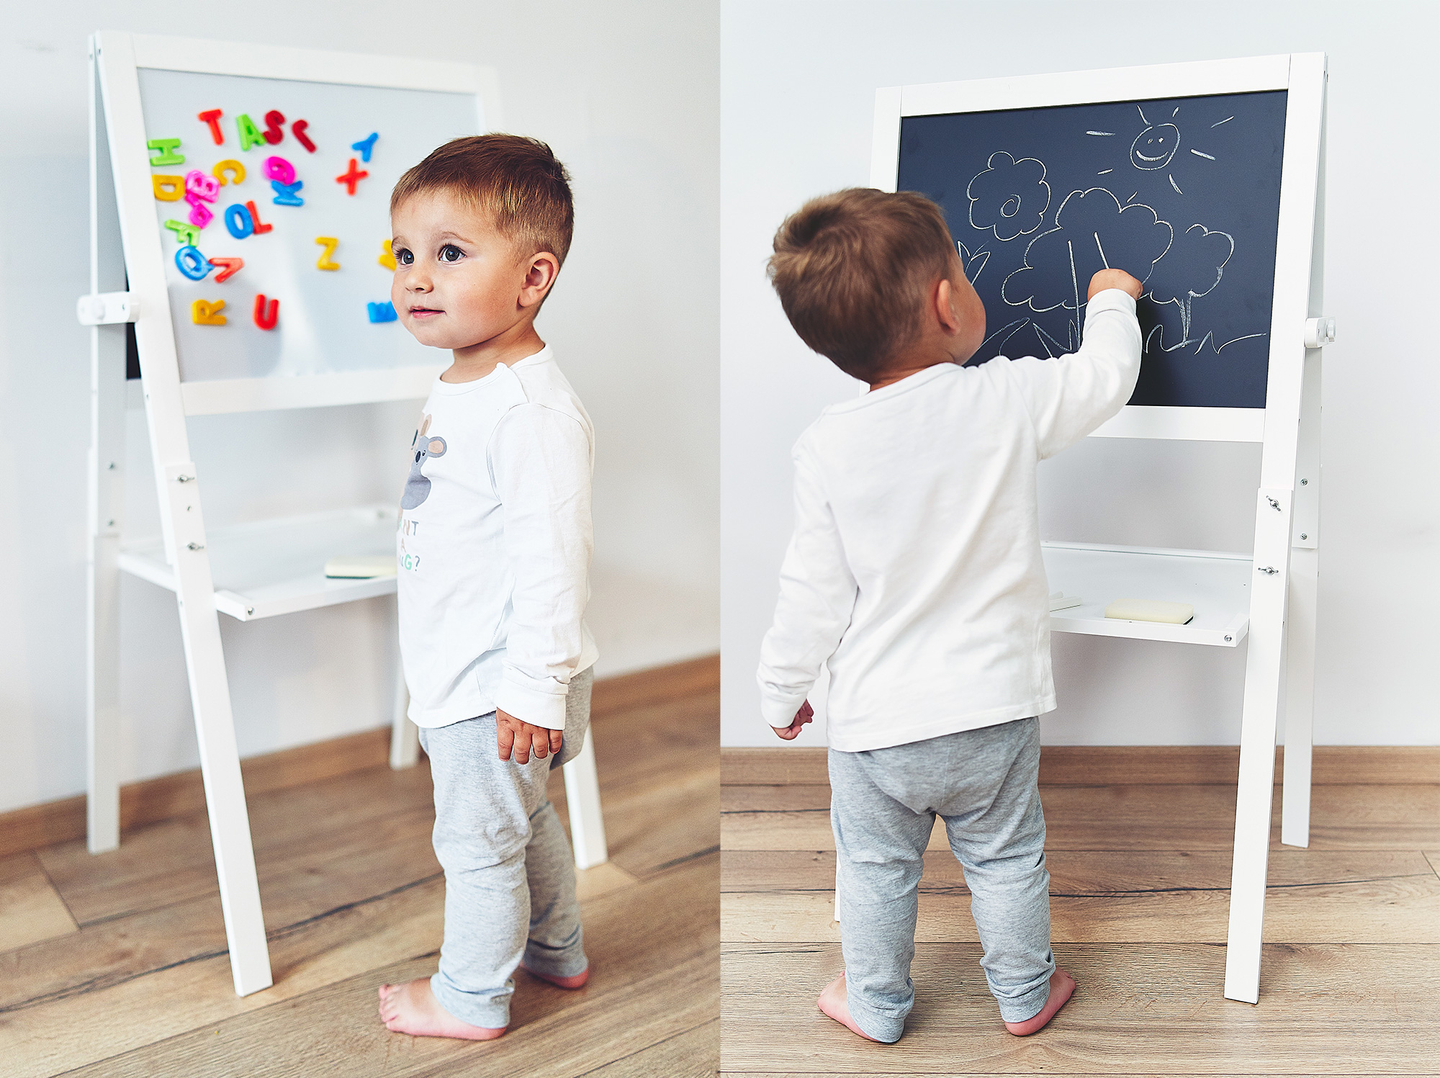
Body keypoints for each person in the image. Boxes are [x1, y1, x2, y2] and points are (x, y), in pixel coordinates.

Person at [755, 187, 1143, 1043]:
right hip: (988, 711)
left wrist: (781, 692)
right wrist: (1112, 299)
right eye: (964, 272)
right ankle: (1022, 996)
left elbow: (810, 591)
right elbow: (1105, 379)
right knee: (1006, 861)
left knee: (875, 871)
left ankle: (878, 1006)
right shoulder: (1003, 400)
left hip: (875, 729)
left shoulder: (827, 443)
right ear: (945, 302)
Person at [377, 134, 599, 1041]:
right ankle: (558, 947)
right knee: (523, 818)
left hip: (500, 684)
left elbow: (554, 557)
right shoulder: (469, 381)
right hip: (476, 674)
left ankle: (469, 996)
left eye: (449, 254)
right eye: (404, 254)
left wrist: (533, 686)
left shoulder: (530, 408)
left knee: (477, 843)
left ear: (533, 277)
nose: (416, 277)